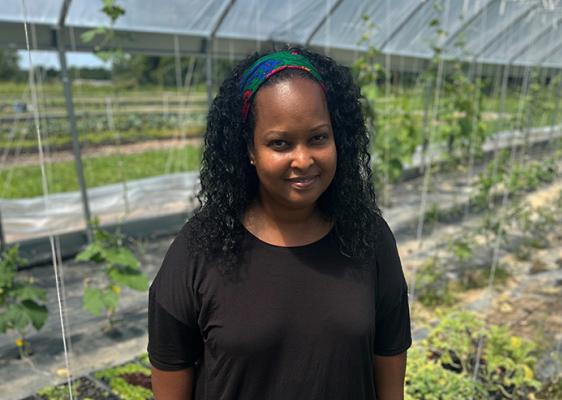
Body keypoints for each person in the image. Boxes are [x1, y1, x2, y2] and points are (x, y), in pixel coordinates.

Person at [148, 47, 412, 400]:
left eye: (318, 137)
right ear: (250, 150)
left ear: (338, 138)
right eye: (280, 143)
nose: (303, 160)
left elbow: (389, 354)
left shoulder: (368, 238)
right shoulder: (200, 248)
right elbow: (171, 367)